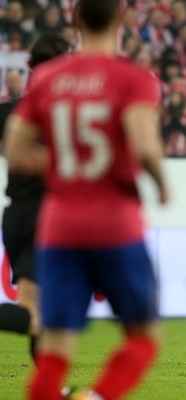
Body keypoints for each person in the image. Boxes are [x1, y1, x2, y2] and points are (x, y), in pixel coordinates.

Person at [3, 1, 169, 399]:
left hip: (58, 225)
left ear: (75, 19)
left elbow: (15, 149)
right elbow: (144, 147)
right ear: (122, 20)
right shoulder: (133, 78)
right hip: (115, 222)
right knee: (144, 337)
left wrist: (64, 163)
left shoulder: (47, 80)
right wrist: (162, 184)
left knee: (54, 345)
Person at [0, 32, 70, 363]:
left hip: (15, 217)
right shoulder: (69, 116)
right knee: (37, 316)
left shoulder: (11, 112)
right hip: (50, 218)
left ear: (29, 66)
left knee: (42, 312)